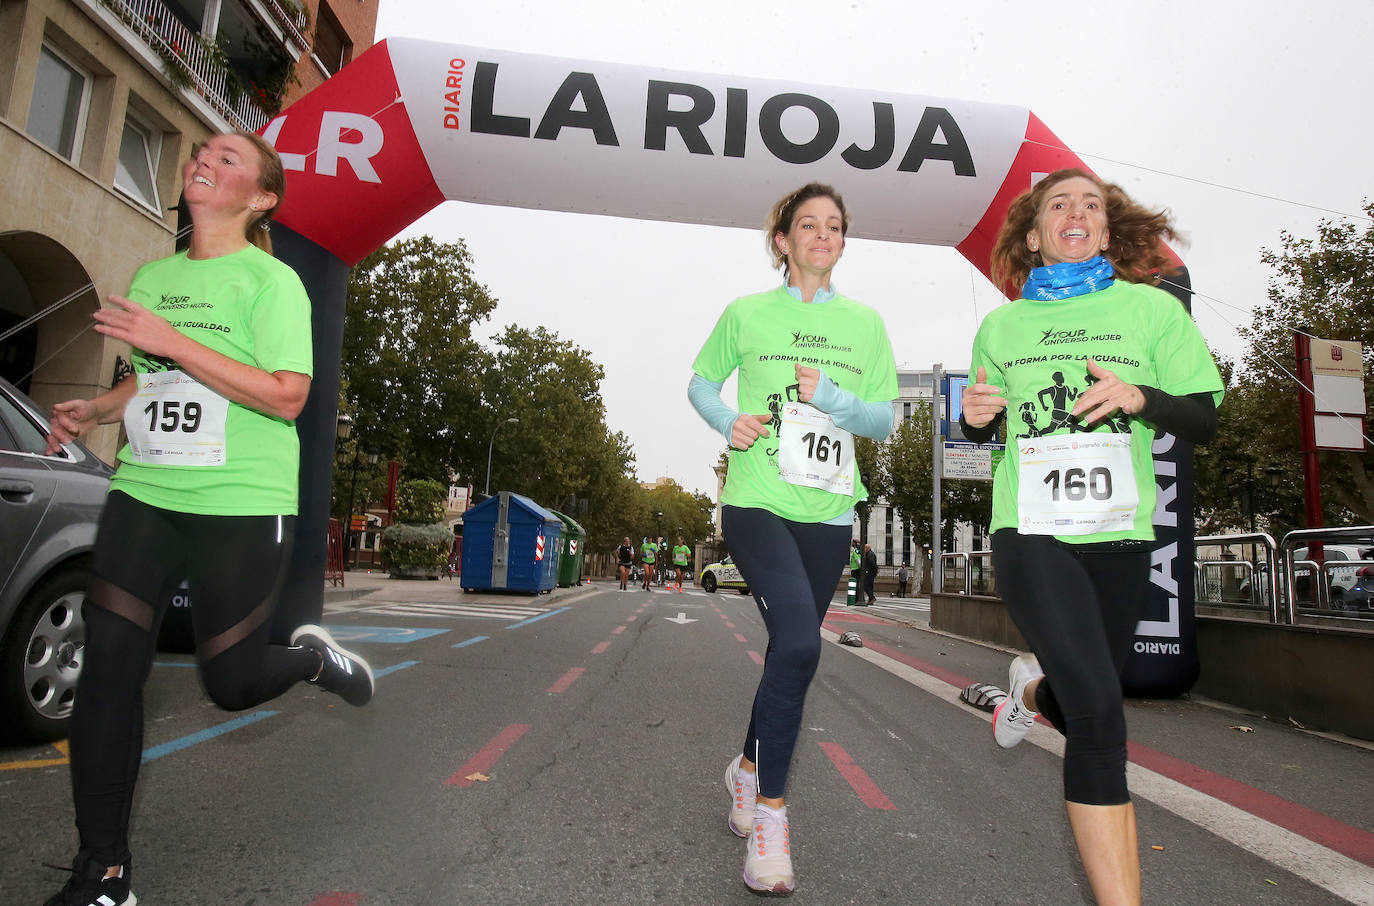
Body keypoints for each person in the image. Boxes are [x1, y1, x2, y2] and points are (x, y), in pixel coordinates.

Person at [40, 132, 375, 906]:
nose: (204, 160)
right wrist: (96, 407)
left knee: (230, 683)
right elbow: (148, 381)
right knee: (109, 673)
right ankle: (105, 874)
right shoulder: (154, 274)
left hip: (240, 499)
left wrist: (172, 342)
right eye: (202, 151)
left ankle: (313, 662)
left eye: (228, 158)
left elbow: (288, 395)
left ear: (262, 197)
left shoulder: (273, 282)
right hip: (147, 491)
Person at [961, 168, 1222, 906]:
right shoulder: (1001, 324)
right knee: (1102, 721)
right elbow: (982, 426)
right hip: (1032, 529)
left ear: (1106, 231)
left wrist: (1141, 396)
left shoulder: (1153, 311)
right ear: (1035, 234)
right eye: (1057, 204)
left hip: (1118, 534)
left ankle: (1033, 689)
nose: (1075, 212)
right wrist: (974, 416)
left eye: (1091, 205)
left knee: (1083, 698)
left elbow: (1203, 416)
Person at [688, 182, 897, 894]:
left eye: (834, 225)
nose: (821, 234)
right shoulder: (746, 315)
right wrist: (727, 422)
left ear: (842, 241)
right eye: (807, 224)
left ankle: (747, 769)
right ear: (782, 240)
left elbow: (882, 421)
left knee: (788, 650)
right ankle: (772, 820)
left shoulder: (866, 326)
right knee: (803, 645)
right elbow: (701, 383)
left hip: (830, 513)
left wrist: (833, 399)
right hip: (757, 502)